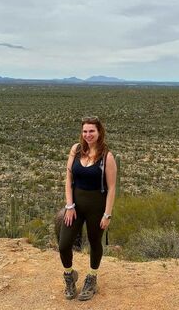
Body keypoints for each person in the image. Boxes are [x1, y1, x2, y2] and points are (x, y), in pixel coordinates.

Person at [58, 116, 117, 301]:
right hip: (75, 206)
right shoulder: (75, 150)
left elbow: (112, 187)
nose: (88, 134)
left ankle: (91, 278)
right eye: (85, 131)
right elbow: (68, 178)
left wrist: (107, 214)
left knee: (94, 242)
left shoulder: (107, 156)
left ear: (99, 132)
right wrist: (69, 205)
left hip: (97, 207)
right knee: (64, 244)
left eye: (92, 131)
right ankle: (69, 275)